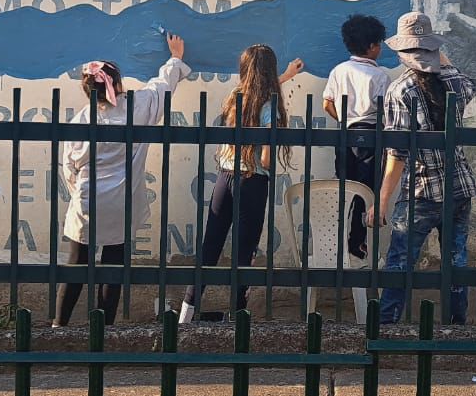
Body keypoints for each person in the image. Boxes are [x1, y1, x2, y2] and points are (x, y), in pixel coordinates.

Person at [53, 32, 191, 328]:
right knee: (114, 266)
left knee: (77, 265)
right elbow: (161, 88)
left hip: (88, 202)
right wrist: (175, 57)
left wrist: (78, 193)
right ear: (116, 83)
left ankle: (58, 326)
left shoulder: (83, 119)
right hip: (122, 203)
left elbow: (69, 167)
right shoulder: (137, 107)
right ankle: (103, 329)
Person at [179, 44, 304, 323]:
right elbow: (267, 159)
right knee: (243, 253)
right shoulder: (270, 105)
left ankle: (185, 316)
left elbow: (257, 94)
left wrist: (286, 76)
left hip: (225, 177)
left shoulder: (235, 97)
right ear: (269, 71)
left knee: (209, 247)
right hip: (253, 181)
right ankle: (237, 317)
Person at [368, 12, 476, 325]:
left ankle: (387, 325)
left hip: (421, 191)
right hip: (459, 187)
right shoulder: (454, 82)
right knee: (456, 259)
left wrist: (382, 201)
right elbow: (471, 84)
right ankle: (457, 325)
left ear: (402, 53)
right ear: (432, 49)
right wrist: (441, 59)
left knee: (400, 262)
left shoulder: (400, 91)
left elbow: (397, 155)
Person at [321, 14, 390, 260]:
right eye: (379, 44)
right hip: (370, 137)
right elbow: (384, 115)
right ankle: (356, 241)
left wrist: (342, 118)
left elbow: (326, 103)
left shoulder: (339, 70)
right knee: (365, 191)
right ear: (372, 47)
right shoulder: (381, 76)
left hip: (345, 135)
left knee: (344, 188)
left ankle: (330, 242)